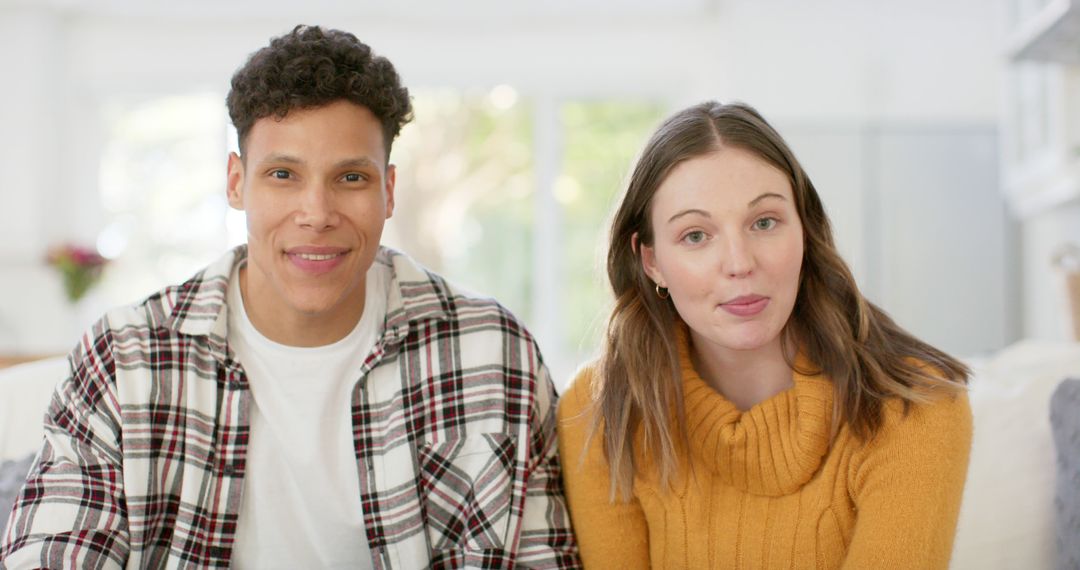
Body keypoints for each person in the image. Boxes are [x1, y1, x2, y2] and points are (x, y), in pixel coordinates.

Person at [1, 25, 579, 569]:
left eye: (351, 177)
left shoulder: (491, 352)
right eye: (283, 174)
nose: (317, 214)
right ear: (236, 182)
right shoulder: (125, 358)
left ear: (389, 190)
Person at [557, 101, 973, 568]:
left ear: (804, 231)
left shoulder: (913, 404)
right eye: (696, 235)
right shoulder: (599, 409)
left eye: (764, 222)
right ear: (651, 261)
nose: (739, 263)